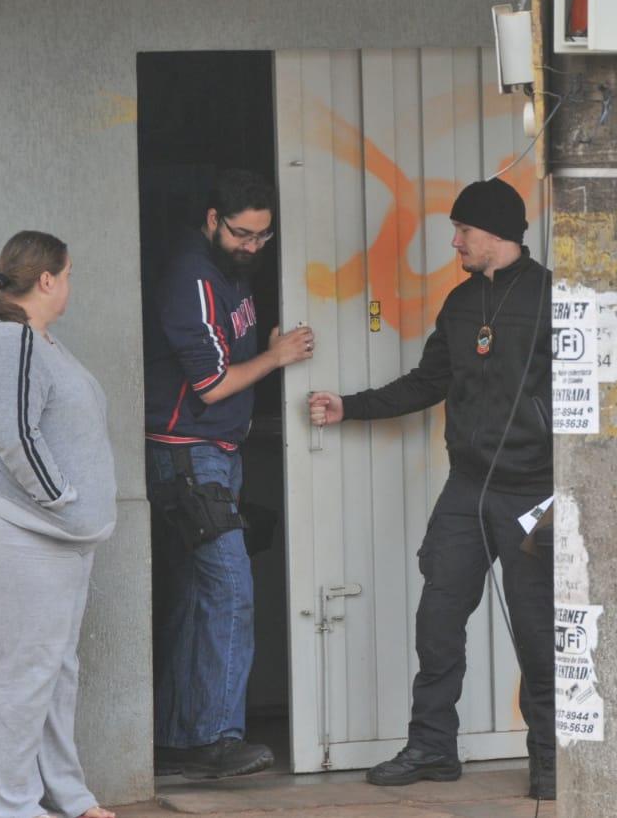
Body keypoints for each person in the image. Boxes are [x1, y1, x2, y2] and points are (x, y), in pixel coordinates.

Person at [308, 178, 555, 800]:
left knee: (535, 629)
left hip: (535, 491)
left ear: (494, 235)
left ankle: (550, 759)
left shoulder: (555, 297)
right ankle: (432, 746)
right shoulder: (460, 303)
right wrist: (350, 407)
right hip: (468, 487)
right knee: (439, 615)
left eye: (463, 231)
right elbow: (428, 381)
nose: (454, 242)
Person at [0, 231, 118, 818]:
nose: (70, 285)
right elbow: (14, 434)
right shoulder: (12, 340)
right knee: (23, 671)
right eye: (67, 275)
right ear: (46, 279)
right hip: (17, 527)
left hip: (51, 536)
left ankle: (67, 795)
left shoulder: (35, 339)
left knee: (54, 669)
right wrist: (62, 500)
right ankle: (12, 808)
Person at [144, 169, 314, 779]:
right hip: (190, 452)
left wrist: (261, 348)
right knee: (231, 592)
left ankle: (176, 734)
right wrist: (276, 355)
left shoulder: (229, 269)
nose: (252, 246)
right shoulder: (190, 275)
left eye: (263, 237)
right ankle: (217, 735)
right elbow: (212, 386)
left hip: (218, 451)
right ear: (213, 219)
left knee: (198, 596)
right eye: (242, 234)